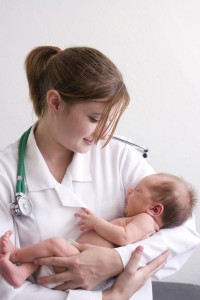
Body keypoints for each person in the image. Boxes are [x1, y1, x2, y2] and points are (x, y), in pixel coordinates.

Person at [0, 45, 199, 300]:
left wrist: (116, 260)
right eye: (95, 119)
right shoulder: (6, 173)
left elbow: (183, 232)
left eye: (108, 120)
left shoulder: (118, 154)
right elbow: (8, 290)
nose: (104, 132)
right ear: (55, 102)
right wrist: (109, 298)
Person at [0, 172, 196, 288]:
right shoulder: (142, 218)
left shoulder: (145, 220)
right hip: (76, 257)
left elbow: (125, 237)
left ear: (154, 209)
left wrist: (97, 223)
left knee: (54, 244)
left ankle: (16, 254)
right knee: (47, 252)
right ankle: (22, 272)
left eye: (136, 190)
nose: (129, 191)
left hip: (78, 260)